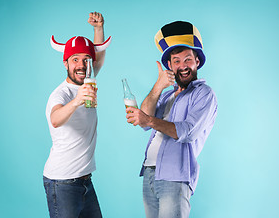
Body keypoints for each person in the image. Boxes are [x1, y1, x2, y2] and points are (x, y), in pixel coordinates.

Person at [126, 21, 217, 218]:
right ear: (169, 65)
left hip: (175, 176)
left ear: (197, 62)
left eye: (188, 60)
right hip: (150, 173)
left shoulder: (204, 94)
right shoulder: (168, 96)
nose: (183, 66)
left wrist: (149, 120)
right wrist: (159, 86)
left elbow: (187, 131)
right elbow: (143, 120)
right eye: (176, 61)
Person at [43, 12, 111, 218]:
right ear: (66, 63)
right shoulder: (61, 94)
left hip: (85, 181)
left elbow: (99, 58)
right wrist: (77, 100)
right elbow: (55, 119)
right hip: (62, 182)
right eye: (75, 60)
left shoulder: (88, 79)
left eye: (86, 60)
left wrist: (98, 29)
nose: (81, 65)